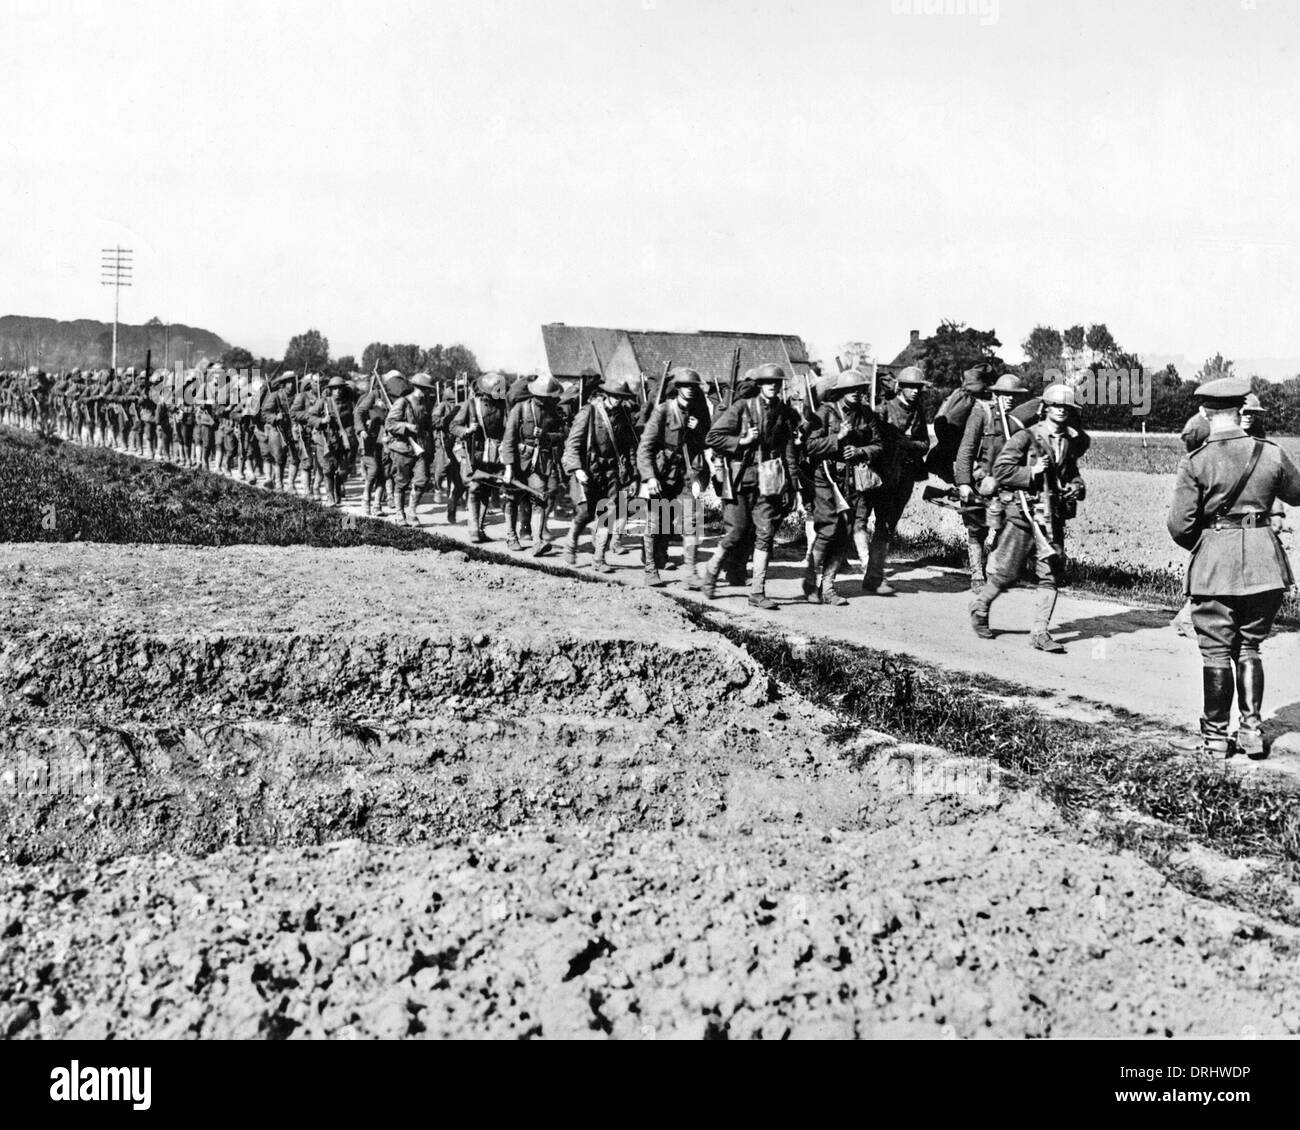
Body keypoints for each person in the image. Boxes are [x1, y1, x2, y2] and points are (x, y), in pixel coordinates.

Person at [1167, 377, 1300, 757]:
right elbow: (1297, 493)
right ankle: (1252, 732)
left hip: (1214, 568)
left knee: (1215, 652)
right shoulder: (1271, 453)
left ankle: (1215, 737)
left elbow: (1180, 525)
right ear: (1242, 409)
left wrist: (1209, 545)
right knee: (1250, 648)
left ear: (1206, 412)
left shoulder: (1196, 460)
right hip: (1265, 565)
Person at [970, 383, 1087, 652]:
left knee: (1050, 574)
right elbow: (1000, 470)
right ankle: (980, 606)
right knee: (1006, 573)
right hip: (1023, 514)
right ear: (1045, 408)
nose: (1060, 411)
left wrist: (1075, 486)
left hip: (1050, 517)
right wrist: (1031, 471)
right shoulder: (1026, 437)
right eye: (1055, 406)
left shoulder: (1067, 442)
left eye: (1065, 407)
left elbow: (1071, 474)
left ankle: (1040, 632)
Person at [702, 364, 800, 608]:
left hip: (770, 482)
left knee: (765, 535)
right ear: (759, 384)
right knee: (736, 532)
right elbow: (713, 437)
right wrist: (742, 441)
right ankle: (712, 570)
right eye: (768, 382)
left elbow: (789, 450)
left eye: (776, 383)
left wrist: (793, 486)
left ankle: (757, 592)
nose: (772, 386)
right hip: (740, 481)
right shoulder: (742, 407)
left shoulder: (783, 412)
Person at [801, 367, 883, 606]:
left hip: (852, 479)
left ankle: (828, 587)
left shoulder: (866, 415)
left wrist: (861, 451)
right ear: (841, 392)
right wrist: (836, 439)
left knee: (844, 532)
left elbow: (879, 445)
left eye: (859, 390)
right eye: (851, 390)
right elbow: (809, 446)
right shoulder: (825, 413)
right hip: (825, 477)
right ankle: (810, 580)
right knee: (828, 529)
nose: (856, 394)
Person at [954, 374, 1033, 591]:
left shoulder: (1018, 420)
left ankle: (994, 568)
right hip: (981, 482)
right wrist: (963, 482)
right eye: (1005, 394)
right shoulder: (982, 413)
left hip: (1007, 483)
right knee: (976, 528)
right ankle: (976, 573)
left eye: (1014, 396)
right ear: (995, 394)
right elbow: (967, 448)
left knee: (1008, 524)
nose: (1009, 399)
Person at [635, 367, 712, 587]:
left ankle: (690, 572)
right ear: (677, 388)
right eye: (685, 386)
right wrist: (649, 477)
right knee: (655, 522)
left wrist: (699, 430)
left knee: (691, 522)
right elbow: (645, 447)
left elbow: (709, 439)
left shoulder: (700, 409)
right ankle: (650, 570)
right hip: (661, 472)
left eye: (693, 387)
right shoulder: (663, 410)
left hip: (687, 472)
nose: (689, 390)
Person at [858, 366, 931, 594]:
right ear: (900, 387)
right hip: (879, 477)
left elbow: (925, 444)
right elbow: (870, 442)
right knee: (857, 522)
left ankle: (875, 577)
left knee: (886, 527)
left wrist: (908, 445)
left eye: (918, 387)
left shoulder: (918, 412)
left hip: (903, 477)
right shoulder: (882, 411)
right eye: (910, 387)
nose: (915, 391)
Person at [561, 376, 641, 572]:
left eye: (621, 397)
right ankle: (571, 542)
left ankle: (599, 559)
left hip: (612, 472)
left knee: (608, 513)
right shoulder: (589, 412)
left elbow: (630, 446)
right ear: (606, 395)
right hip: (589, 470)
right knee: (586, 514)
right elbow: (572, 444)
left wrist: (633, 474)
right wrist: (577, 469)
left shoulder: (623, 414)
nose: (617, 401)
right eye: (614, 396)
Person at [501, 375, 566, 556]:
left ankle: (537, 541)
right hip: (519, 460)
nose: (543, 400)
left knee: (540, 497)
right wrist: (508, 466)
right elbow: (509, 439)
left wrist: (546, 435)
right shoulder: (520, 409)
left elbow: (563, 434)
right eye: (541, 396)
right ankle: (511, 536)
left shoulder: (553, 411)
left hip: (541, 462)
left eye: (547, 397)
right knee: (512, 499)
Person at [450, 372, 509, 542]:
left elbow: (506, 428)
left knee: (486, 490)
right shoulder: (470, 404)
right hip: (473, 453)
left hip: (493, 455)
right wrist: (467, 431)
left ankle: (479, 528)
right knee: (475, 488)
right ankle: (473, 529)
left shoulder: (502, 406)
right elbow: (453, 426)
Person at [384, 372, 436, 526]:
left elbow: (428, 427)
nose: (426, 392)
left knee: (422, 481)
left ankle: (412, 511)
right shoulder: (402, 402)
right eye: (424, 389)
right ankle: (400, 513)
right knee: (401, 482)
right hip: (402, 448)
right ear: (417, 387)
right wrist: (406, 426)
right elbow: (390, 424)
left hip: (420, 448)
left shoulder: (426, 403)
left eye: (427, 389)